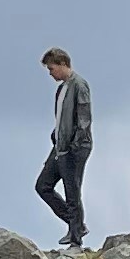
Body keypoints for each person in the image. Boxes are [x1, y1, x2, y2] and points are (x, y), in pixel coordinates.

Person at [35, 46, 92, 247]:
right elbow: (61, 120)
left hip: (75, 148)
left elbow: (84, 119)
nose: (50, 74)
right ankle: (75, 224)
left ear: (62, 64)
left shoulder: (80, 85)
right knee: (43, 185)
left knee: (72, 191)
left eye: (51, 69)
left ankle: (76, 239)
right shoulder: (61, 89)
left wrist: (74, 147)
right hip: (60, 147)